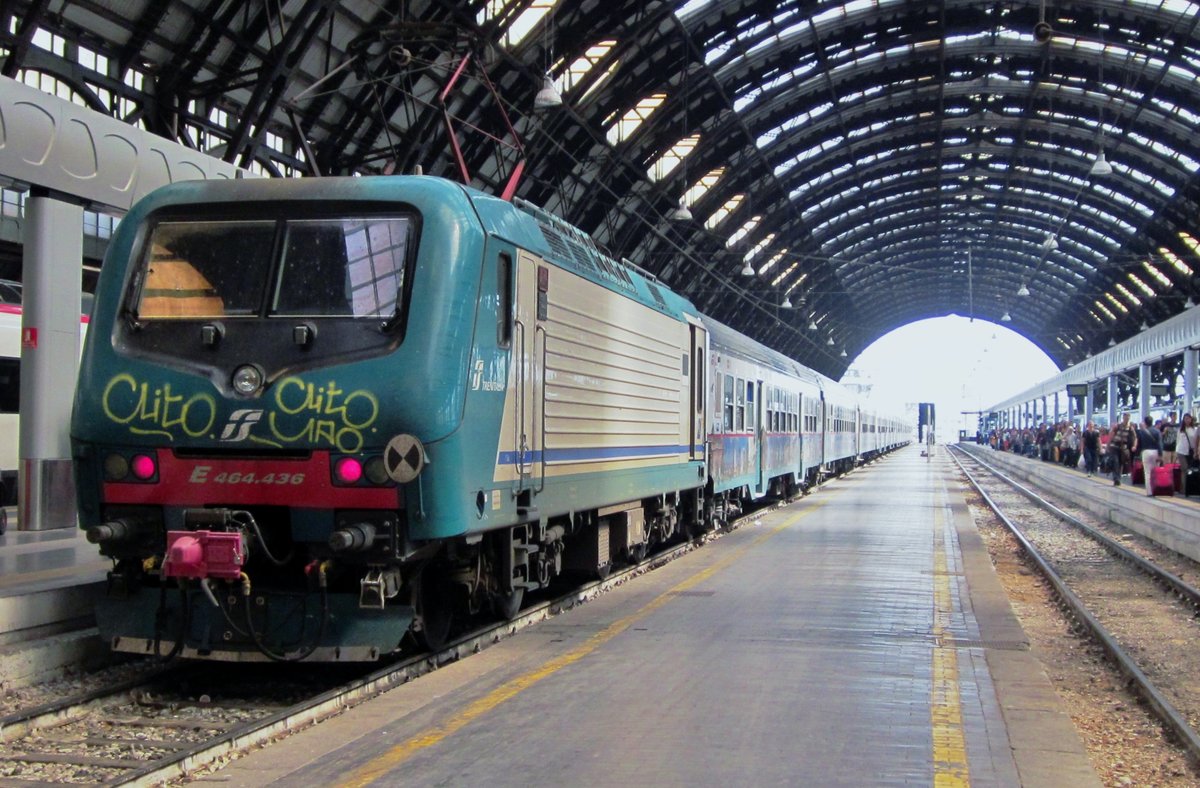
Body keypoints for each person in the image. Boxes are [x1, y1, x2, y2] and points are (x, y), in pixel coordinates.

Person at [1135, 415, 1163, 496]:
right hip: (1155, 452)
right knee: (1155, 472)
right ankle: (1156, 490)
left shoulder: (1142, 432)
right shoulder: (1157, 431)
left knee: (1147, 472)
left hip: (1146, 452)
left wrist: (1138, 454)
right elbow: (1160, 444)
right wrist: (1160, 454)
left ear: (1145, 422)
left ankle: (1149, 492)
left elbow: (1139, 444)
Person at [1108, 413, 1137, 487]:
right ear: (1123, 418)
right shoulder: (1117, 426)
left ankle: (1118, 478)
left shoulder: (1130, 428)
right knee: (1116, 462)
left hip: (1123, 448)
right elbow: (1111, 435)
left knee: (1121, 463)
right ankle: (1116, 478)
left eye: (1128, 417)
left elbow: (1135, 437)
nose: (1127, 419)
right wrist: (1108, 445)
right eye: (1126, 417)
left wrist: (1134, 445)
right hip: (1115, 446)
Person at [1178, 413, 1197, 497]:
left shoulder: (1194, 429)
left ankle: (1189, 487)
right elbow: (1178, 441)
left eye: (1188, 418)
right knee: (1184, 469)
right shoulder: (1181, 429)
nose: (1187, 420)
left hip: (1191, 452)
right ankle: (1184, 489)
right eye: (1185, 418)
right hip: (1181, 451)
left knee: (1190, 470)